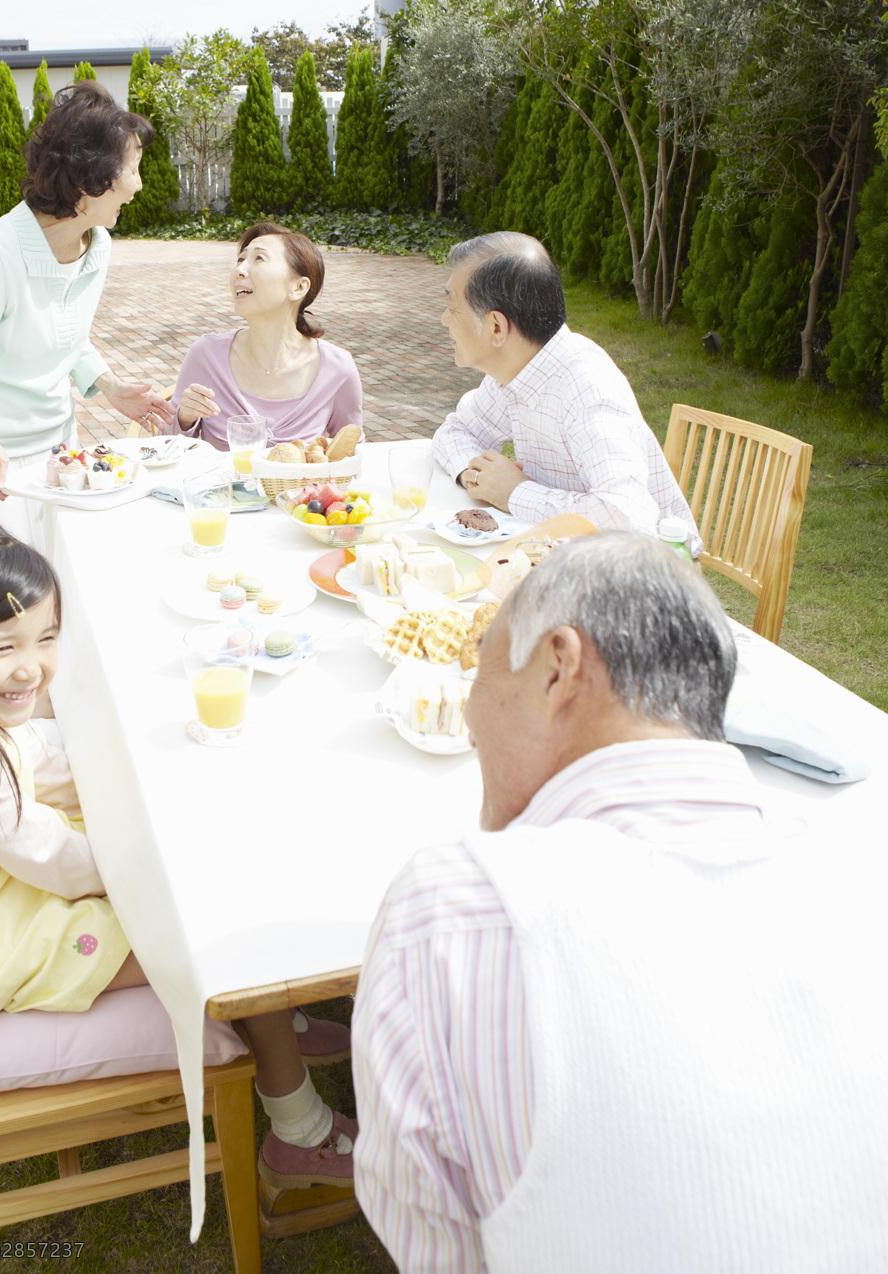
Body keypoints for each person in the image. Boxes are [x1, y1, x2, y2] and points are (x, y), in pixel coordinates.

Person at [352, 534, 888, 1272]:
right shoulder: (861, 882)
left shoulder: (455, 912)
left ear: (558, 669)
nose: (472, 711)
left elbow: (438, 1249)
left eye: (480, 661)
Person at [0, 519, 358, 1189]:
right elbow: (62, 863)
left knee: (168, 851)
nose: (31, 667)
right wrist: (168, 853)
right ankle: (299, 1134)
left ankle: (276, 1022)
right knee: (221, 932)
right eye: (4, 647)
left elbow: (38, 760)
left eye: (46, 638)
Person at [0, 82, 175, 547]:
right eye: (132, 169)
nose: (139, 184)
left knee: (55, 588)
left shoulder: (95, 245)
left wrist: (111, 388)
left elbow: (67, 334)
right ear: (89, 179)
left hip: (58, 450)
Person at [431, 231, 701, 543]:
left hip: (641, 575)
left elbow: (628, 519)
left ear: (496, 327)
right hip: (565, 559)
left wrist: (514, 492)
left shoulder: (587, 391)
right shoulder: (518, 369)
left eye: (452, 305)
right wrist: (477, 475)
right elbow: (456, 431)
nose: (443, 319)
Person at [171, 222, 362, 450]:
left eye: (259, 258)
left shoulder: (337, 367)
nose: (240, 270)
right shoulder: (207, 354)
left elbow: (353, 451)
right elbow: (164, 447)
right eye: (241, 259)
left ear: (299, 287)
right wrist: (184, 418)